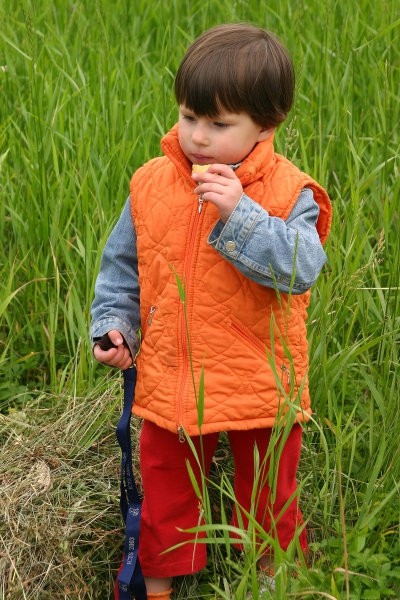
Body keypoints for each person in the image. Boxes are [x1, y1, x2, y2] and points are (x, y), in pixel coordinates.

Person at [90, 23, 332, 599]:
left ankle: (277, 581)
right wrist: (114, 326)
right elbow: (123, 265)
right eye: (189, 115)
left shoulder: (287, 190)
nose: (197, 136)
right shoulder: (152, 183)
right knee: (165, 487)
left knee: (269, 493)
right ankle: (157, 585)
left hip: (260, 379)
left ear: (266, 127)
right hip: (173, 373)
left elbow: (302, 268)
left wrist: (239, 215)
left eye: (219, 124)